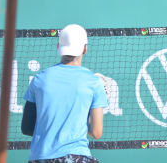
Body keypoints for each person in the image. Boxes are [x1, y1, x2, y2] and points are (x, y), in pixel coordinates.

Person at [21, 24, 108, 163]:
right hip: (77, 157)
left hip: (40, 158)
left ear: (58, 47)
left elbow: (26, 128)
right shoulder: (94, 83)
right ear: (85, 49)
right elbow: (96, 133)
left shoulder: (39, 79)